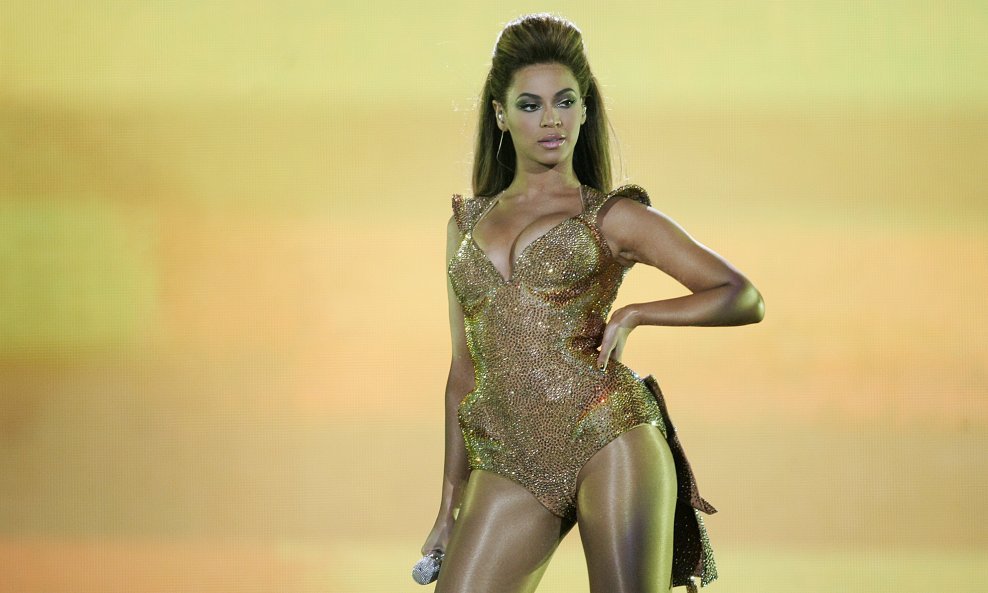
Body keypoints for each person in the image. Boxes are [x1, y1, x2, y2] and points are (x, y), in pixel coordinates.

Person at [421, 13, 765, 593]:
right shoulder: (464, 226)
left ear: (584, 110)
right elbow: (463, 373)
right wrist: (448, 504)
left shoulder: (610, 216)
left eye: (565, 101)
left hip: (608, 432)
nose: (551, 119)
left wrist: (636, 313)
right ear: (501, 115)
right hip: (510, 456)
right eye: (530, 105)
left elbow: (741, 295)